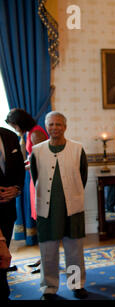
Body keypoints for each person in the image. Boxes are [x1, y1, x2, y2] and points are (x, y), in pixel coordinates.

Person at [30, 111, 89, 300]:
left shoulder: (78, 149)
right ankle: (49, 287)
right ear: (46, 127)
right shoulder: (37, 151)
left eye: (58, 124)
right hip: (47, 210)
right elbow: (35, 176)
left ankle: (76, 284)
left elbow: (83, 177)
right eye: (51, 125)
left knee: (74, 251)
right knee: (48, 251)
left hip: (72, 209)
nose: (55, 128)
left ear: (65, 126)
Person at [6, 108, 49, 272]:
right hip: (33, 179)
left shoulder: (36, 133)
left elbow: (42, 160)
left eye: (15, 126)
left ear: (20, 123)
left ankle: (46, 260)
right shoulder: (31, 133)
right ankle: (43, 257)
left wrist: (21, 168)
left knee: (43, 220)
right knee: (39, 219)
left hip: (40, 180)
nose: (15, 129)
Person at [0, 126, 25, 300]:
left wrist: (17, 188)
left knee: (3, 254)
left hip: (7, 209)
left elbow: (19, 169)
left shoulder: (9, 136)